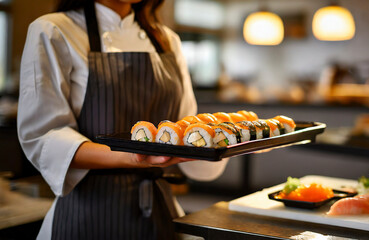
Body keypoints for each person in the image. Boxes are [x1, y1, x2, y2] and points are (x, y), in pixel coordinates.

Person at [17, 0, 228, 239]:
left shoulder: (167, 40)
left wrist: (226, 142)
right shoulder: (53, 30)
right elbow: (44, 137)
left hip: (159, 212)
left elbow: (186, 128)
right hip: (86, 214)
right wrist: (131, 157)